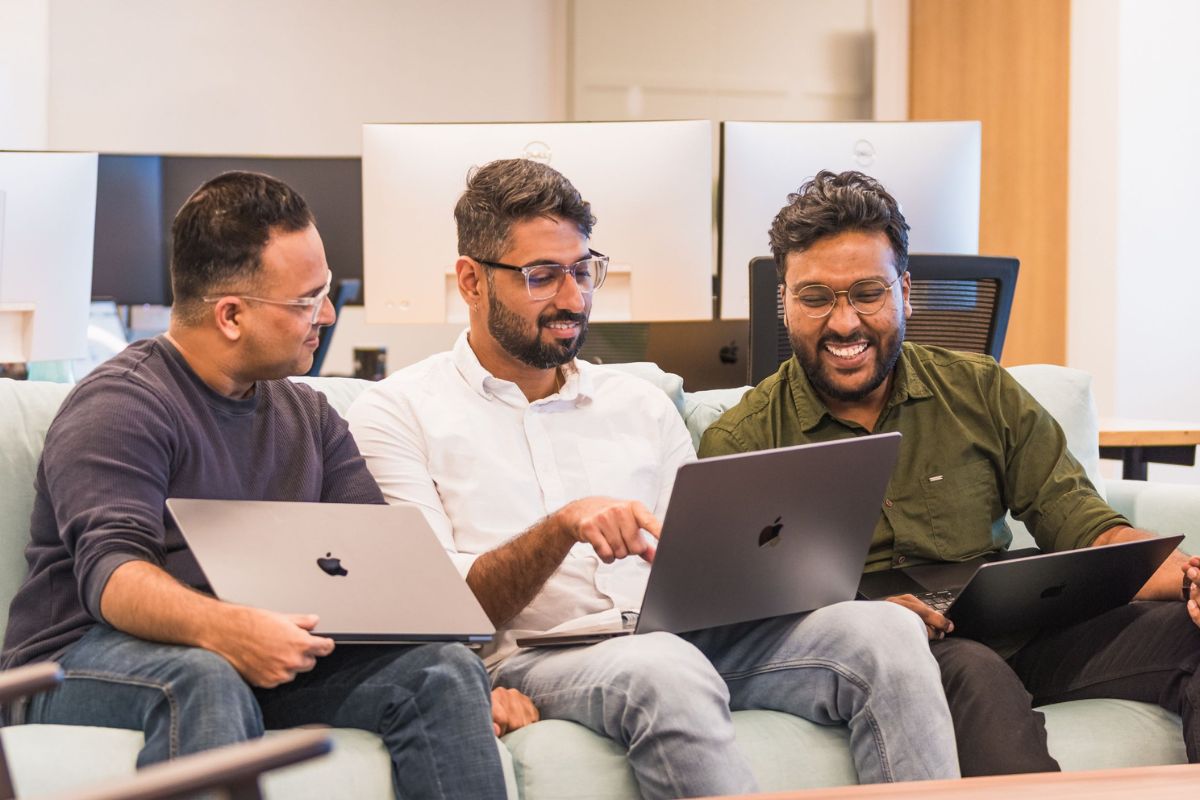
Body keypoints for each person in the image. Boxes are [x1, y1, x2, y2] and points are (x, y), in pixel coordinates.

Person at [346, 158, 960, 799]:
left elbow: (707, 564)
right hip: (538, 657)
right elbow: (444, 616)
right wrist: (562, 528)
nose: (573, 298)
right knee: (664, 666)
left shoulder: (639, 403)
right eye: (541, 276)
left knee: (884, 632)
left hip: (682, 636)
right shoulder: (398, 414)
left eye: (583, 271)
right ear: (471, 281)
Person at [0, 171, 533, 799]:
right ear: (230, 315)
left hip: (258, 655)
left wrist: (475, 677)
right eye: (308, 300)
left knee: (442, 672)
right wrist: (229, 630)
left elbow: (385, 576)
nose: (327, 316)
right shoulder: (121, 404)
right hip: (80, 657)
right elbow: (113, 577)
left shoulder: (311, 419)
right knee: (203, 676)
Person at [698, 168, 1200, 776]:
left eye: (867, 293)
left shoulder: (979, 390)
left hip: (1030, 628)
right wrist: (862, 615)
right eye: (815, 297)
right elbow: (742, 614)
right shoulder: (745, 440)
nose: (844, 322)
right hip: (909, 654)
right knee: (976, 673)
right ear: (785, 302)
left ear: (905, 292)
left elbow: (1084, 523)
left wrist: (1186, 577)